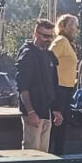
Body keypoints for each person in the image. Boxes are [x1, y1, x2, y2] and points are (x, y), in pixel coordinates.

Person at [15, 19, 62, 152]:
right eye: (45, 36)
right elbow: (22, 86)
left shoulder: (49, 55)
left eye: (51, 36)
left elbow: (53, 83)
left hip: (46, 110)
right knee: (32, 151)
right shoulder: (27, 54)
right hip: (33, 110)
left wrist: (56, 109)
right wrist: (30, 111)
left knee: (43, 152)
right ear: (35, 34)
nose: (48, 40)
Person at [49, 14, 79, 155]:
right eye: (73, 25)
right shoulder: (61, 41)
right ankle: (53, 155)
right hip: (59, 89)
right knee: (57, 125)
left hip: (67, 89)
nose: (76, 29)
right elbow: (49, 58)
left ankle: (60, 154)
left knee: (63, 125)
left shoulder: (68, 43)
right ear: (64, 26)